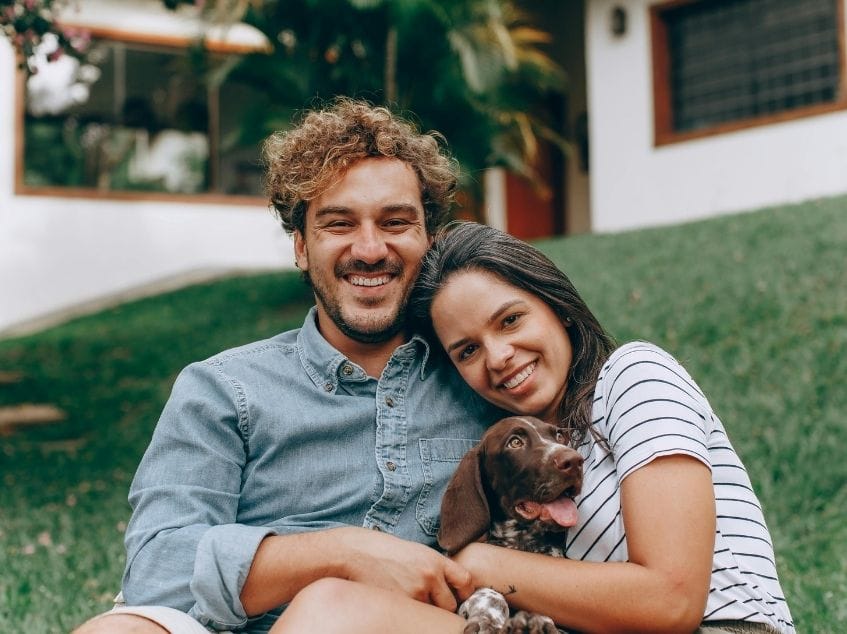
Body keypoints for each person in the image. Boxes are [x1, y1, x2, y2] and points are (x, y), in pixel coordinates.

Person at [73, 100, 503, 634]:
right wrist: (341, 553)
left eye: (395, 222)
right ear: (301, 247)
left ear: (429, 241)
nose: (371, 249)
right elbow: (157, 570)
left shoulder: (482, 377)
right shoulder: (222, 390)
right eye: (339, 224)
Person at [273, 221, 796, 633]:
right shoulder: (523, 453)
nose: (499, 356)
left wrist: (477, 561)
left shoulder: (634, 375)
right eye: (468, 350)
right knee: (334, 605)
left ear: (557, 306)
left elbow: (672, 601)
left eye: (510, 320)